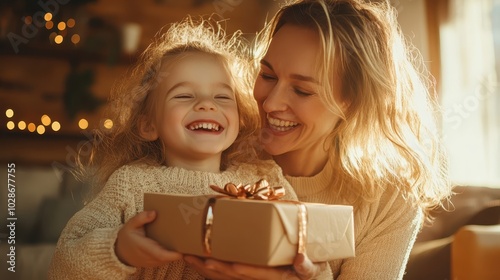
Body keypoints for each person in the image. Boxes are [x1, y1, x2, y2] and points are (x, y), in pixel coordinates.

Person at [185, 0, 452, 279]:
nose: (271, 103)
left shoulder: (388, 200)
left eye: (301, 91)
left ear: (352, 101)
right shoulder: (215, 150)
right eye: (268, 75)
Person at [47, 18, 303, 280]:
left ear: (241, 117)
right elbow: (64, 264)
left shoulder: (263, 182)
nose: (206, 104)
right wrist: (118, 249)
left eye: (222, 97)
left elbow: (311, 257)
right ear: (148, 125)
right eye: (184, 95)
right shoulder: (131, 184)